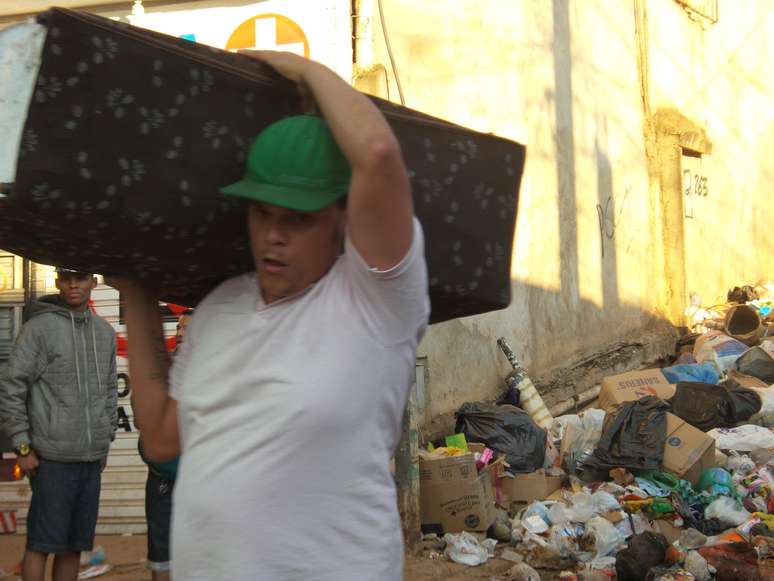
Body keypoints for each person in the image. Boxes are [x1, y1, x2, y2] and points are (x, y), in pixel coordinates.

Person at [113, 49, 429, 580]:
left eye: (297, 219)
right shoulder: (219, 309)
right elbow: (164, 437)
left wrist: (306, 71)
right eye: (261, 213)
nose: (273, 235)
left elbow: (377, 154)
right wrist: (136, 295)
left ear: (342, 218)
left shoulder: (375, 303)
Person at [0, 268, 117, 581]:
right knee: (41, 543)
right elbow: (12, 389)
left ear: (94, 282)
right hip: (51, 458)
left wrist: (105, 438)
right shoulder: (38, 329)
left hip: (90, 459)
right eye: (66, 278)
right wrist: (23, 446)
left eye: (80, 278)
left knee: (73, 547)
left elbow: (108, 391)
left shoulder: (104, 333)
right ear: (57, 282)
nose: (73, 284)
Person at [137, 310, 191, 581]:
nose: (180, 334)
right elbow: (146, 428)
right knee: (162, 558)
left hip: (199, 484)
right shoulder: (164, 373)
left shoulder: (219, 374)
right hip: (163, 485)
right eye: (179, 328)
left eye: (187, 329)